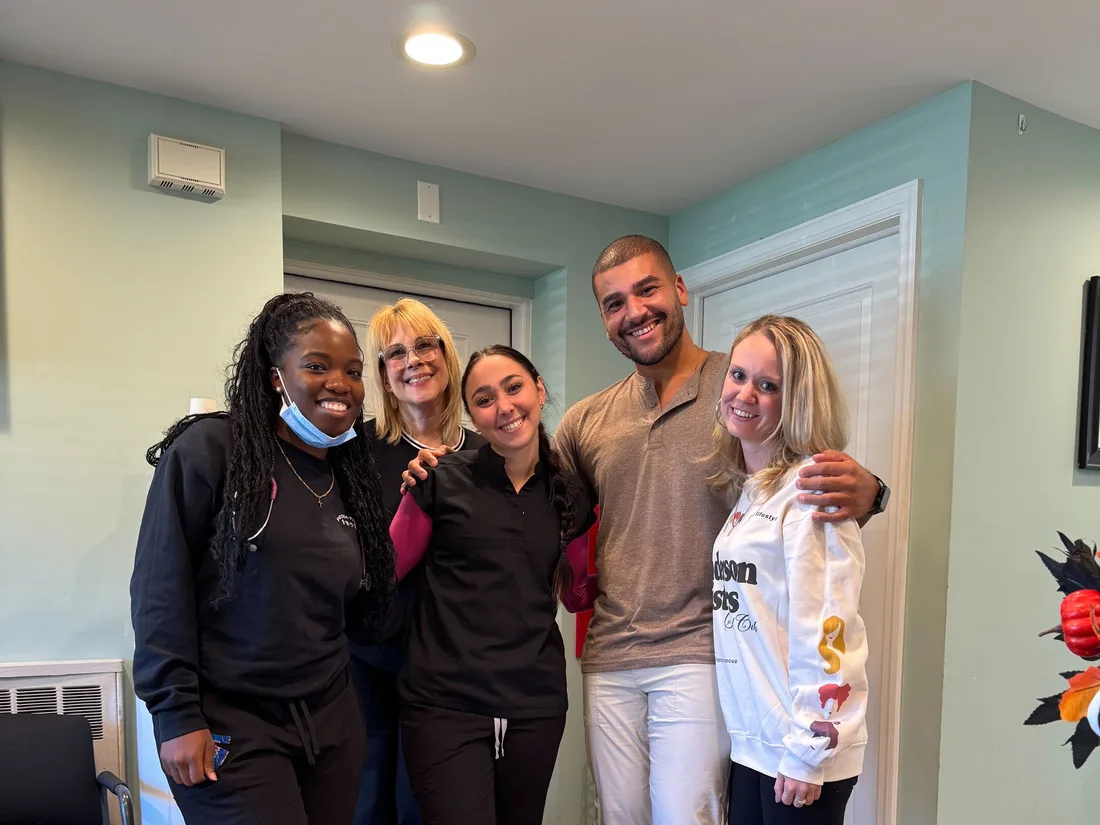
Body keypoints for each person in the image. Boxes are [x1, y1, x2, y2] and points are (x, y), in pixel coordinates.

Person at [404, 236, 887, 825]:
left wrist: (873, 492)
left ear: (679, 289)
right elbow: (532, 507)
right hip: (609, 657)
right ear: (605, 321)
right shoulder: (586, 420)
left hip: (699, 654)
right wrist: (437, 463)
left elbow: (797, 479)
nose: (633, 311)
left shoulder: (733, 389)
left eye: (647, 289)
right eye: (613, 303)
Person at [130, 292, 395, 825]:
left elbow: (357, 609)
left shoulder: (352, 477)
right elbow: (162, 589)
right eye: (316, 366)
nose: (339, 384)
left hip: (331, 723)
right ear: (277, 376)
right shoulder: (212, 450)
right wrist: (175, 715)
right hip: (230, 722)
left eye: (353, 370)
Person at [390, 345, 598, 825]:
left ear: (539, 390)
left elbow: (576, 595)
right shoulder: (439, 479)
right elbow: (382, 573)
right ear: (472, 417)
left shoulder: (570, 492)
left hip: (535, 707)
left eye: (513, 387)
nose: (504, 407)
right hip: (445, 706)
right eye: (484, 399)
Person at [709, 315, 867, 824]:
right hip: (756, 743)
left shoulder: (809, 491)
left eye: (768, 385)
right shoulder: (754, 491)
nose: (744, 394)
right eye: (738, 375)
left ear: (796, 400)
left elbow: (828, 628)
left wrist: (808, 750)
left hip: (800, 752)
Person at [349, 298, 486, 825]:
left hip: (456, 670)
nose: (415, 361)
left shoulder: (484, 455)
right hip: (368, 662)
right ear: (383, 374)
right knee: (368, 805)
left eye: (426, 345)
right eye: (396, 353)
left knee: (434, 805)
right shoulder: (355, 451)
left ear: (447, 357)